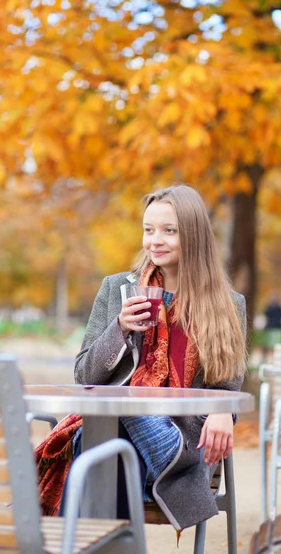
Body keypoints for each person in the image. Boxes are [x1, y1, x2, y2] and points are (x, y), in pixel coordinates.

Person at [35, 184, 246, 536]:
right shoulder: (117, 289)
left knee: (103, 446)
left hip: (177, 450)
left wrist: (224, 408)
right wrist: (119, 328)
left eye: (169, 231)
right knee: (110, 437)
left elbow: (228, 383)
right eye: (148, 230)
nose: (154, 241)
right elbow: (84, 375)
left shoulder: (227, 305)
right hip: (113, 440)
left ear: (193, 236)